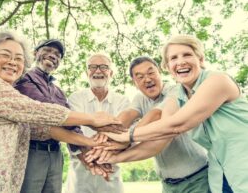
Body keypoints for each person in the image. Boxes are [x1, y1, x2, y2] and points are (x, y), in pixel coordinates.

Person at [0, 30, 121, 193]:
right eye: (5, 55)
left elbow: (43, 128)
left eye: (18, 58)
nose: (12, 62)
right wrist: (92, 119)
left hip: (10, 169)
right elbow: (36, 111)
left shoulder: (56, 91)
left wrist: (90, 148)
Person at [105, 35, 248, 193]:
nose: (180, 62)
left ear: (200, 59)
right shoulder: (178, 96)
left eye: (187, 54)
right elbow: (164, 131)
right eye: (173, 58)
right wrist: (111, 156)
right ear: (168, 66)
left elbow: (176, 124)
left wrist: (126, 136)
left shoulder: (218, 80)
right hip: (221, 176)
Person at [95, 56, 210, 193]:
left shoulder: (176, 91)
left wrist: (126, 140)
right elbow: (126, 116)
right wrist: (104, 143)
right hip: (168, 184)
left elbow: (156, 115)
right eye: (140, 76)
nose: (147, 79)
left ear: (159, 73)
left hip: (197, 179)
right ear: (134, 83)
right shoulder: (139, 99)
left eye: (151, 73)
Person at [14, 39, 105, 193]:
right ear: (35, 53)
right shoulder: (24, 78)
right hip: (32, 152)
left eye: (57, 54)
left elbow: (71, 122)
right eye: (48, 50)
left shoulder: (59, 92)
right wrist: (92, 123)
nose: (53, 55)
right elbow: (48, 110)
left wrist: (86, 153)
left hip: (56, 154)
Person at [64, 54, 130, 193]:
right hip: (80, 169)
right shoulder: (75, 98)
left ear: (111, 73)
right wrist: (87, 157)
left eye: (104, 67)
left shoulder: (122, 101)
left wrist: (100, 152)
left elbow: (123, 131)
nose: (98, 71)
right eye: (92, 67)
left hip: (111, 168)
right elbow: (73, 130)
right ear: (87, 72)